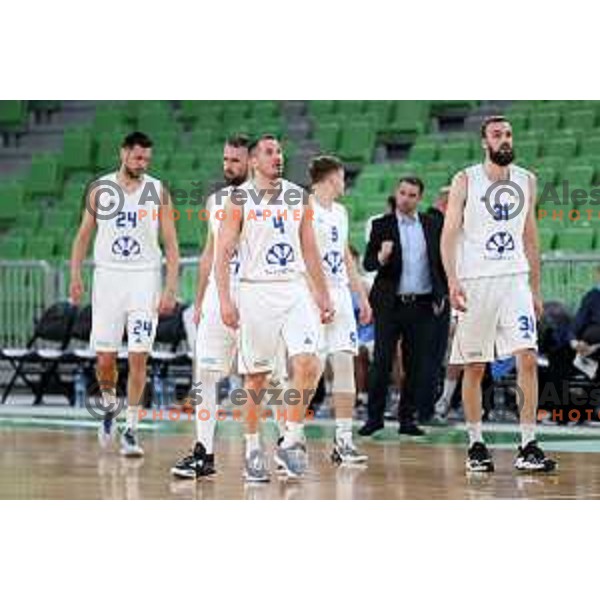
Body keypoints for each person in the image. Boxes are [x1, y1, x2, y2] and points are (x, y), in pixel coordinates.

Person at [441, 115, 556, 473]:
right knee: (475, 366)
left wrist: (535, 288)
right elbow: (448, 236)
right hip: (475, 282)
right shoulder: (465, 180)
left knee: (527, 356)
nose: (504, 139)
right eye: (496, 135)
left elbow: (531, 237)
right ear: (483, 142)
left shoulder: (526, 180)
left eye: (508, 134)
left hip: (513, 280)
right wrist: (452, 280)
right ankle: (476, 442)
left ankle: (528, 444)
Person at [215, 134, 334, 482]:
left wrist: (323, 294)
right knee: (257, 378)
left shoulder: (299, 197)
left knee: (309, 364)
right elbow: (223, 254)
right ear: (253, 161)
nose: (277, 156)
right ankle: (253, 448)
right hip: (256, 292)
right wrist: (225, 299)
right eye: (269, 152)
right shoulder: (239, 199)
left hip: (295, 288)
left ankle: (291, 438)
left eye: (280, 151)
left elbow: (309, 248)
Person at [70, 131, 179, 457]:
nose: (142, 163)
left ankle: (131, 428)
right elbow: (82, 237)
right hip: (108, 278)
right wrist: (75, 275)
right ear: (123, 154)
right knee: (104, 358)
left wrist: (170, 287)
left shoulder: (157, 190)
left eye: (146, 158)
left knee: (138, 356)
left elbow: (171, 244)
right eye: (137, 157)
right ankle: (108, 407)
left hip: (144, 279)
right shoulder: (101, 189)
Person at [171, 135, 250, 479]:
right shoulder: (217, 200)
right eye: (225, 160)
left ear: (252, 161)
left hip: (255, 296)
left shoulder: (272, 200)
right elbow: (209, 253)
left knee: (265, 378)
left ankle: (275, 449)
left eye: (235, 160)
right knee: (206, 374)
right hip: (220, 299)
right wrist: (201, 300)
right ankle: (204, 452)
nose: (228, 166)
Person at [359, 176, 447, 437]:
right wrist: (381, 257)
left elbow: (440, 262)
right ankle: (374, 417)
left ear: (419, 198)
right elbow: (367, 265)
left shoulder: (432, 225)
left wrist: (440, 294)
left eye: (411, 195)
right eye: (402, 193)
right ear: (396, 194)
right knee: (382, 361)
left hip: (420, 304)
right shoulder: (381, 225)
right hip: (389, 304)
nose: (405, 198)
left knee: (415, 364)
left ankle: (407, 418)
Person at [309, 155, 372, 464]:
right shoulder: (303, 209)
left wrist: (361, 296)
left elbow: (346, 256)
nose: (344, 183)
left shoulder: (341, 212)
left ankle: (344, 440)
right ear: (332, 178)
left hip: (341, 295)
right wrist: (318, 296)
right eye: (343, 177)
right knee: (311, 370)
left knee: (345, 363)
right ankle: (290, 433)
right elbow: (300, 257)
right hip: (311, 296)